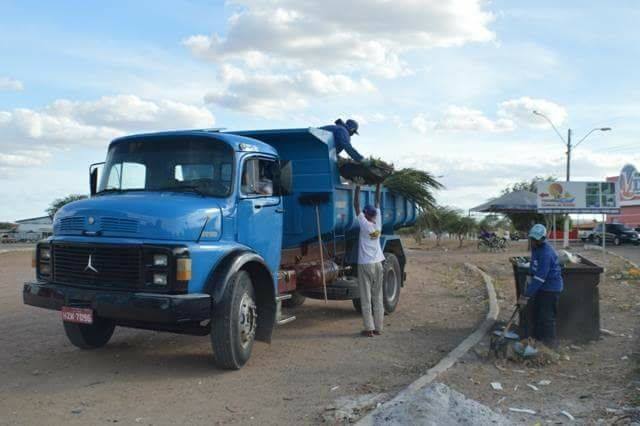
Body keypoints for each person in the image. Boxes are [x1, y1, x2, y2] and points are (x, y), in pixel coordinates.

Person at [518, 223, 564, 348]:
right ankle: (537, 341)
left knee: (547, 318)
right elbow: (534, 267)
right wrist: (530, 275)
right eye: (533, 238)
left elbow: (540, 277)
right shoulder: (536, 248)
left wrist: (526, 295)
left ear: (543, 238)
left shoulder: (546, 253)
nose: (534, 241)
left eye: (537, 239)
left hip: (551, 288)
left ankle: (551, 346)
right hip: (542, 288)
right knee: (538, 314)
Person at [353, 182, 385, 337]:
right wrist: (379, 185)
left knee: (366, 297)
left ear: (366, 214)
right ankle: (379, 328)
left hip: (365, 264)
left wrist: (357, 186)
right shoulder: (378, 223)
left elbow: (356, 205)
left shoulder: (364, 224)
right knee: (377, 296)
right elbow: (378, 201)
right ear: (374, 214)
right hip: (379, 263)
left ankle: (369, 329)